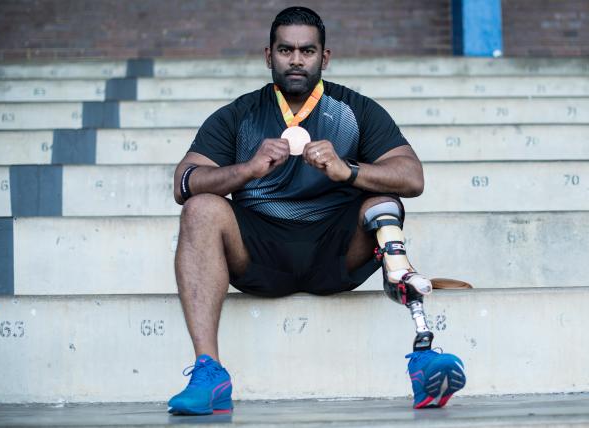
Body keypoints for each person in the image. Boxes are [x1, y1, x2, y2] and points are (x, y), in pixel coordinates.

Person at [167, 6, 465, 415]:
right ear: (268, 55)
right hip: (259, 252)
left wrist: (348, 170)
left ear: (324, 57)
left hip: (335, 251)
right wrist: (246, 169)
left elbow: (412, 177)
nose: (295, 59)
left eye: (307, 51)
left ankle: (424, 353)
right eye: (285, 50)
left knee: (384, 201)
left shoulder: (354, 109)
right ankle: (209, 373)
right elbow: (183, 182)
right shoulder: (240, 114)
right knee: (200, 209)